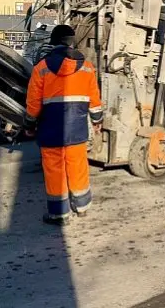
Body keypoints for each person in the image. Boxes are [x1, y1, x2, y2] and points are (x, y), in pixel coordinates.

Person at [24, 25, 104, 226]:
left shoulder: (41, 68)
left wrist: (29, 125)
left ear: (53, 42)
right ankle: (82, 206)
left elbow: (33, 103)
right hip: (77, 130)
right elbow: (94, 99)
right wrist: (97, 121)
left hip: (51, 130)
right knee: (78, 166)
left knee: (54, 171)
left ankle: (59, 214)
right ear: (71, 41)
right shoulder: (87, 67)